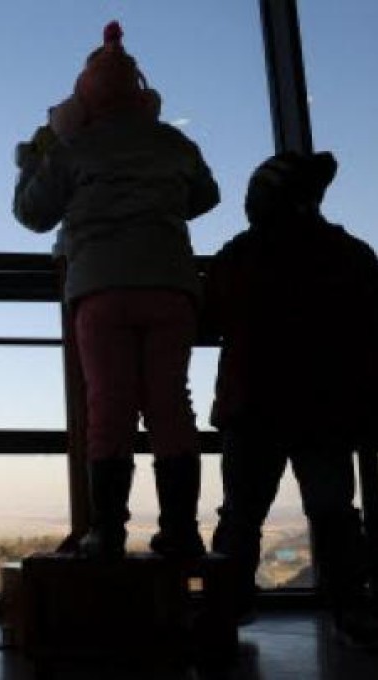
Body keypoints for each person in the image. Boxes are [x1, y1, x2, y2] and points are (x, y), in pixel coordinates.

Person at [12, 21, 220, 560]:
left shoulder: (73, 147)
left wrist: (33, 159)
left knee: (107, 407)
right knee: (172, 406)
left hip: (100, 288)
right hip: (172, 286)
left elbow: (32, 214)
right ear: (143, 96)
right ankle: (181, 531)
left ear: (82, 100)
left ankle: (106, 532)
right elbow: (207, 196)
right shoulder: (175, 143)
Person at [205, 150, 378, 647]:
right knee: (334, 512)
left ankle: (227, 608)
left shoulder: (238, 255)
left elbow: (210, 316)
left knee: (241, 514)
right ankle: (350, 606)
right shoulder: (350, 255)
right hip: (326, 409)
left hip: (250, 406)